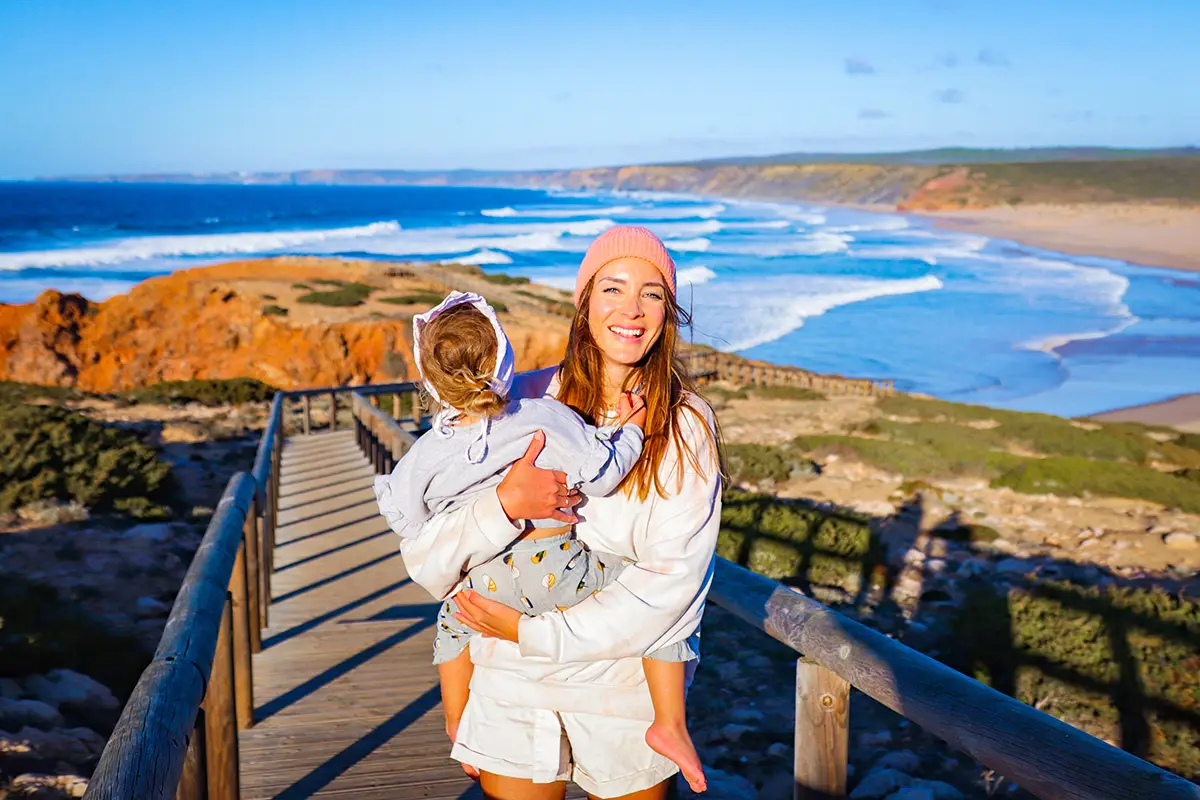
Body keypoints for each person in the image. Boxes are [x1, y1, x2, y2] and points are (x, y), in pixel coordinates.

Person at [398, 225, 724, 800]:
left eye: (652, 293)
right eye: (612, 289)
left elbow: (672, 584)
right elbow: (427, 562)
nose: (632, 309)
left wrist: (534, 630)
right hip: (509, 682)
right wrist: (502, 507)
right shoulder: (515, 402)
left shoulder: (683, 423)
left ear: (669, 311)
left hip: (620, 688)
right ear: (584, 303)